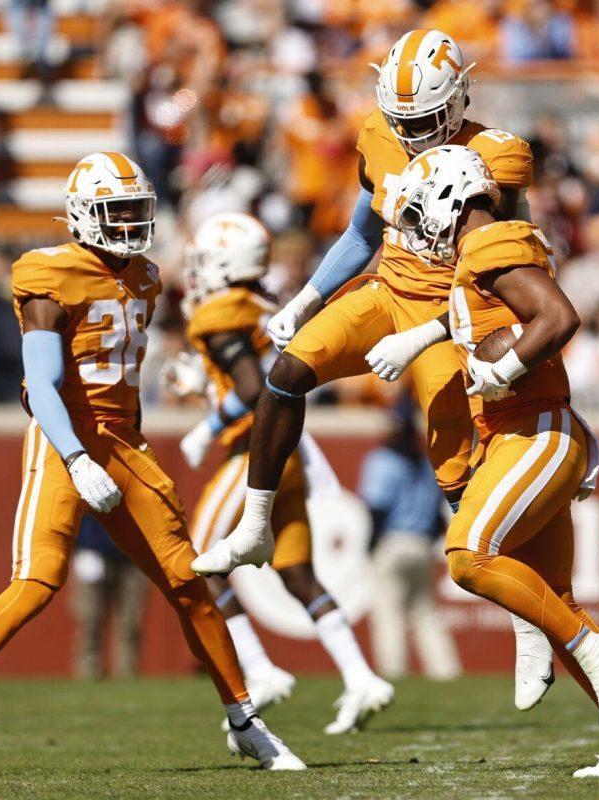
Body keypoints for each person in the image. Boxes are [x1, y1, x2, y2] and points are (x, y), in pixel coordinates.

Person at [0, 153, 304, 778]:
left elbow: (132, 364)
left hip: (124, 445)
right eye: (117, 214)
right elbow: (41, 382)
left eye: (138, 212)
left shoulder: (145, 275)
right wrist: (78, 455)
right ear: (83, 216)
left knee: (188, 584)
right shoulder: (48, 273)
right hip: (66, 442)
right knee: (37, 583)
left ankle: (246, 722)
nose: (130, 226)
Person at [193, 28, 556, 713]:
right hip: (383, 295)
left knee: (459, 487)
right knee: (284, 374)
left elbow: (512, 275)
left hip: (446, 318)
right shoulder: (380, 139)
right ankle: (257, 524)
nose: (411, 134)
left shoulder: (494, 159)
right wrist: (304, 299)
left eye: (423, 121)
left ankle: (524, 619)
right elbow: (363, 233)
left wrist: (424, 334)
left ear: (457, 103)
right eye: (402, 121)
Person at [381, 145, 599, 777]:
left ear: (450, 199)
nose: (414, 229)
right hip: (522, 433)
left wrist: (503, 370)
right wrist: (421, 338)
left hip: (534, 431)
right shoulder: (483, 254)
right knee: (554, 595)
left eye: (419, 212)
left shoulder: (489, 245)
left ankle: (598, 646)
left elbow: (558, 316)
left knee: (469, 554)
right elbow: (484, 313)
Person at [172, 211, 393, 734]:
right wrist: (204, 388)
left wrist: (206, 426)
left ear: (225, 266)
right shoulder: (260, 305)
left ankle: (259, 669)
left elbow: (252, 391)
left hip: (253, 455)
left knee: (194, 562)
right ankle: (361, 676)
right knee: (296, 572)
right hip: (288, 452)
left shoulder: (220, 311)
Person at [359, 397, 460, 681]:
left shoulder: (382, 460)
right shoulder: (426, 462)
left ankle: (393, 673)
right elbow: (436, 514)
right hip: (421, 545)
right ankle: (446, 673)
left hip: (392, 542)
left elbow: (376, 508)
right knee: (425, 613)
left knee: (388, 613)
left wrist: (369, 546)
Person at [68, 515, 148, 680]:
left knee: (130, 621)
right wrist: (80, 546)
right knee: (90, 618)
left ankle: (127, 673)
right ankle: (87, 672)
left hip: (133, 553)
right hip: (92, 550)